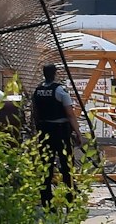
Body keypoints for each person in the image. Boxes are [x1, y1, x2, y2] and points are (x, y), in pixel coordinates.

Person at [29, 64, 79, 206]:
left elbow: (35, 112)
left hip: (44, 131)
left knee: (46, 165)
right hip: (60, 131)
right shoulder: (60, 90)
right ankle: (70, 198)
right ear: (55, 73)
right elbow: (70, 114)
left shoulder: (37, 91)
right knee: (66, 165)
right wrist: (78, 133)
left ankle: (46, 199)